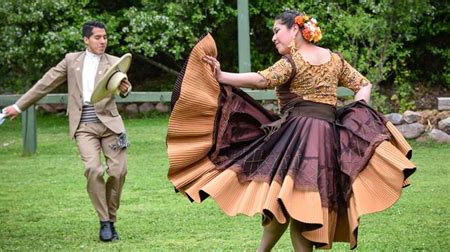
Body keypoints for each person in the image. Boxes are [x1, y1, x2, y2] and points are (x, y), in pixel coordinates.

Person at [167, 10, 416, 251]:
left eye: (277, 31)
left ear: (295, 29)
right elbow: (363, 84)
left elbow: (261, 79)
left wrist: (222, 75)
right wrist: (359, 108)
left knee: (296, 202)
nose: (274, 37)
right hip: (325, 137)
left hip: (300, 136)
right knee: (288, 202)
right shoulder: (335, 59)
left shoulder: (292, 62)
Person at [4, 21, 131, 242]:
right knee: (93, 169)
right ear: (86, 40)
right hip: (84, 127)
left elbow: (125, 87)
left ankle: (111, 219)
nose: (103, 41)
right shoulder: (71, 61)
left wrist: (125, 88)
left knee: (118, 172)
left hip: (111, 127)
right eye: (98, 38)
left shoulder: (114, 62)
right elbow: (45, 83)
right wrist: (19, 106)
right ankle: (104, 222)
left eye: (105, 37)